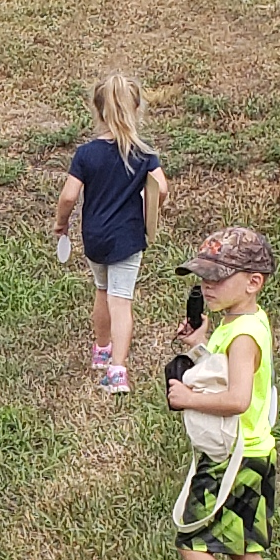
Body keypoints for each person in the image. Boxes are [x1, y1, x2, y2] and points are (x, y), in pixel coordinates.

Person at [164, 227, 280, 560]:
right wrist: (197, 346)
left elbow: (236, 399)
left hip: (230, 458)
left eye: (218, 277)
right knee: (245, 551)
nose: (208, 286)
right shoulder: (242, 324)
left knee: (193, 542)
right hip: (254, 452)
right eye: (203, 278)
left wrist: (186, 398)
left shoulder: (242, 336)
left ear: (253, 281)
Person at [56, 71, 172, 395]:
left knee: (101, 290)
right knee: (121, 302)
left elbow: (68, 196)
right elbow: (161, 189)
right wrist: (150, 206)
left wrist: (61, 223)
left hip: (95, 237)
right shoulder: (144, 154)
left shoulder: (86, 154)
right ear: (135, 110)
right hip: (128, 238)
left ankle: (102, 350)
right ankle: (117, 371)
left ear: (98, 111)